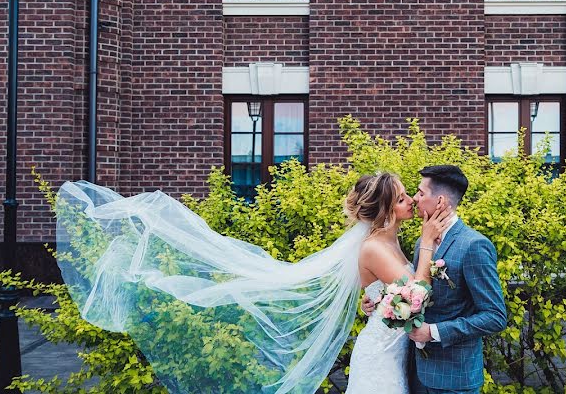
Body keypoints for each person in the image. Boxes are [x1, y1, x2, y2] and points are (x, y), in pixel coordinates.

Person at [54, 172, 453, 394]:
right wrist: (428, 251)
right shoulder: (376, 249)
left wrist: (375, 300)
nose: (409, 203)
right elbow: (415, 296)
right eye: (402, 198)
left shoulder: (387, 241)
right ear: (386, 208)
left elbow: (383, 296)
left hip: (389, 347)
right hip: (380, 356)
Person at [362, 165, 507, 394]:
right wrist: (378, 301)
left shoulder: (473, 246)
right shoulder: (423, 243)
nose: (414, 199)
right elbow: (410, 290)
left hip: (453, 379)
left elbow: (495, 317)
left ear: (439, 201)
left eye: (420, 193)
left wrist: (434, 332)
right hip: (413, 371)